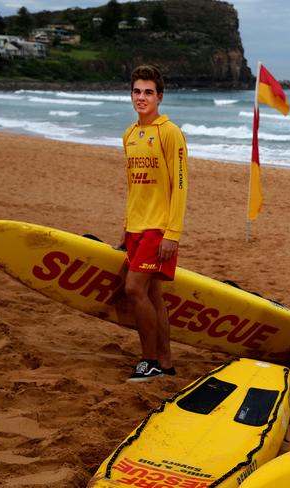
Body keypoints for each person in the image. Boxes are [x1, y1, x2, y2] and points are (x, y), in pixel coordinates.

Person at [119, 64, 188, 382]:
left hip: (158, 228)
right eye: (137, 91)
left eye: (148, 92)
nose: (141, 97)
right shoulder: (130, 135)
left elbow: (180, 186)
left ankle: (149, 361)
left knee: (134, 289)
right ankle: (166, 362)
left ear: (160, 97)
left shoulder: (170, 133)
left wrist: (172, 233)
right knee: (154, 294)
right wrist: (126, 226)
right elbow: (134, 186)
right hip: (135, 227)